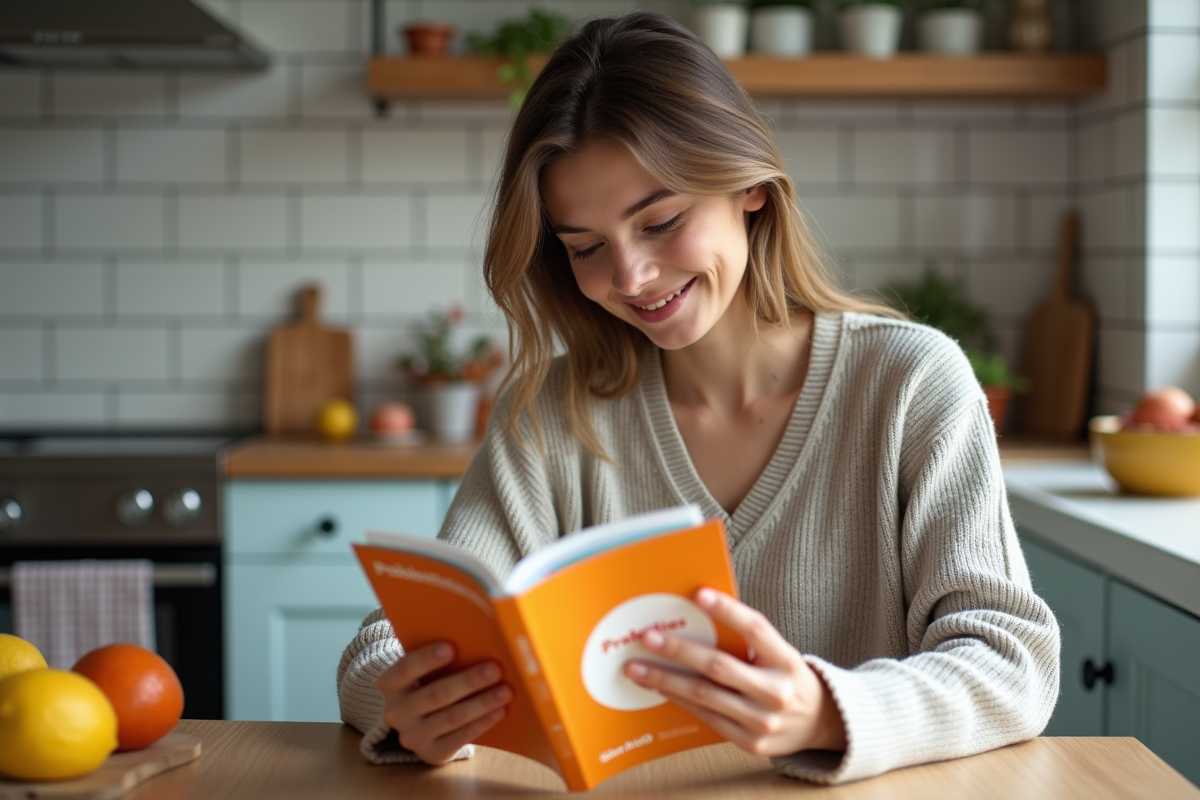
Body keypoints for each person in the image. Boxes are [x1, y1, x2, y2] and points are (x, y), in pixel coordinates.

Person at [337, 11, 1059, 785]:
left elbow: (1011, 660)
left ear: (748, 185)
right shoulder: (552, 415)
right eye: (585, 247)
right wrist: (407, 704)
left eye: (661, 221)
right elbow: (381, 645)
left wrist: (825, 710)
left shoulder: (913, 385)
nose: (631, 276)